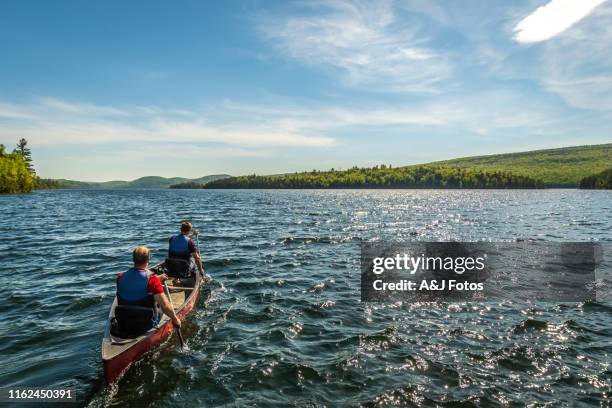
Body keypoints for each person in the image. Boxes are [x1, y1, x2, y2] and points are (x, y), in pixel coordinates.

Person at [115, 246, 181, 336]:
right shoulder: (152, 280)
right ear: (148, 259)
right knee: (162, 304)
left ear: (133, 259)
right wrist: (175, 318)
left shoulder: (120, 277)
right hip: (145, 324)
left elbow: (135, 283)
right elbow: (165, 306)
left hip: (124, 321)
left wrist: (157, 279)